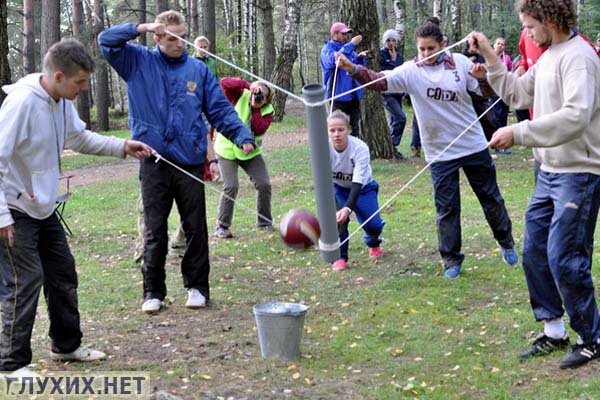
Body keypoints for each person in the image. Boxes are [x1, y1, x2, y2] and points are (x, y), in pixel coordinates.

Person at [0, 39, 153, 374]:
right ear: (58, 76)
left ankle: (66, 346)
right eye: (79, 83)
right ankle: (11, 365)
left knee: (63, 273)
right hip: (14, 209)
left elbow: (80, 138)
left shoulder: (60, 102)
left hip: (43, 207)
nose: (84, 89)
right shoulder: (21, 104)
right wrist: (1, 216)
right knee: (24, 282)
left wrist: (123, 146)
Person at [470, 0, 600, 369]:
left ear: (550, 19)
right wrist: (491, 61)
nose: (526, 32)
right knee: (536, 252)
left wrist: (520, 132)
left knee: (565, 256)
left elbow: (576, 116)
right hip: (548, 171)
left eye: (530, 26)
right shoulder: (549, 55)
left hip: (579, 172)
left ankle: (592, 337)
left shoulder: (580, 57)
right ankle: (554, 330)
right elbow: (517, 93)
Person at [98, 10, 256, 314]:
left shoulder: (198, 71)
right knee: (155, 229)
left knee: (195, 226)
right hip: (153, 160)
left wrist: (241, 135)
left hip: (189, 160)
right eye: (172, 38)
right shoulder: (137, 61)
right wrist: (140, 27)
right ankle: (153, 292)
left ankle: (197, 287)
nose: (179, 43)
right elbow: (106, 41)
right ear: (157, 37)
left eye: (183, 36)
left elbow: (220, 110)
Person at [335, 21, 518, 279]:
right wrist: (352, 68)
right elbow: (378, 81)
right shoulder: (411, 71)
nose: (425, 54)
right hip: (440, 152)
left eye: (430, 48)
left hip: (472, 145)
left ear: (443, 44)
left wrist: (483, 79)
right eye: (421, 49)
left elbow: (488, 92)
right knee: (447, 208)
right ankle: (451, 261)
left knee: (490, 199)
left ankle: (506, 241)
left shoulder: (461, 63)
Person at [168, 35, 220, 252]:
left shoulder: (207, 70)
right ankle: (146, 250)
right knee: (151, 209)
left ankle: (181, 243)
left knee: (191, 206)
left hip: (190, 157)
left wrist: (213, 159)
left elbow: (203, 128)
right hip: (162, 158)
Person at [214, 77, 274, 238]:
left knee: (264, 184)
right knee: (231, 186)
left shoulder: (268, 110)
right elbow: (224, 82)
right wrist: (250, 86)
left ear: (267, 99)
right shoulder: (239, 95)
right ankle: (222, 226)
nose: (258, 95)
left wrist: (255, 107)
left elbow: (258, 129)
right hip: (226, 149)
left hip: (251, 153)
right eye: (257, 91)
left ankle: (264, 222)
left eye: (263, 94)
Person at [327, 110, 384, 271]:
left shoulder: (360, 148)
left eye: (341, 130)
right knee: (339, 221)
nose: (336, 134)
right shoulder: (323, 148)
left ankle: (373, 242)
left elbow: (358, 181)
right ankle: (340, 257)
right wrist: (339, 209)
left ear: (349, 130)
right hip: (338, 188)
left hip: (364, 188)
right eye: (332, 130)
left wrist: (348, 207)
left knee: (374, 225)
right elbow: (323, 180)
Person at [320, 22, 368, 137]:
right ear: (335, 34)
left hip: (354, 96)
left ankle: (352, 155)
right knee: (338, 131)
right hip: (338, 98)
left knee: (354, 130)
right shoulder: (327, 50)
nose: (347, 37)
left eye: (347, 34)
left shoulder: (350, 52)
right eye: (344, 34)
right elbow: (335, 60)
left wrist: (360, 59)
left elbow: (357, 69)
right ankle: (337, 154)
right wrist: (351, 44)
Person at [380, 29, 406, 158]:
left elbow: (400, 73)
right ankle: (392, 145)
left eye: (393, 40)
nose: (391, 43)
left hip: (398, 93)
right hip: (387, 93)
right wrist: (393, 61)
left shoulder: (400, 55)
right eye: (388, 40)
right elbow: (387, 72)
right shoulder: (381, 54)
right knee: (401, 118)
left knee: (394, 120)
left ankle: (392, 148)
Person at [489, 37, 512, 154]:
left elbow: (510, 73)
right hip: (492, 92)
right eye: (498, 43)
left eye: (502, 44)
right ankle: (496, 143)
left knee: (503, 116)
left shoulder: (506, 58)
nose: (500, 46)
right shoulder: (489, 57)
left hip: (504, 92)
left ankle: (504, 143)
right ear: (494, 45)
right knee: (495, 117)